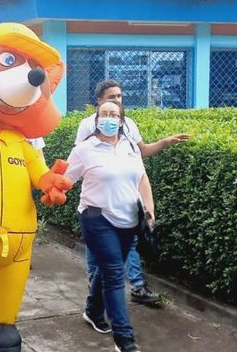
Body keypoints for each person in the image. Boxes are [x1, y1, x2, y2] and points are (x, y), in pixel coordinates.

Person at [74, 79, 189, 323]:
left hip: (126, 207)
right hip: (98, 208)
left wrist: (165, 143)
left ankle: (129, 289)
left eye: (119, 97)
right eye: (111, 97)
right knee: (104, 264)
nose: (117, 100)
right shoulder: (87, 126)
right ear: (99, 102)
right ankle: (117, 328)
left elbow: (142, 153)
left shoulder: (129, 125)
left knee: (113, 263)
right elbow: (80, 161)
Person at [64, 100, 154, 352]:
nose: (109, 118)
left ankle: (93, 311)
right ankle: (124, 339)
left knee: (107, 269)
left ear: (122, 121)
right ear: (96, 120)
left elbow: (142, 178)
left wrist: (149, 209)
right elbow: (65, 180)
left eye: (114, 114)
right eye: (104, 114)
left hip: (129, 220)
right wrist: (50, 185)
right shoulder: (85, 149)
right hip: (97, 218)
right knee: (115, 274)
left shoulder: (129, 148)